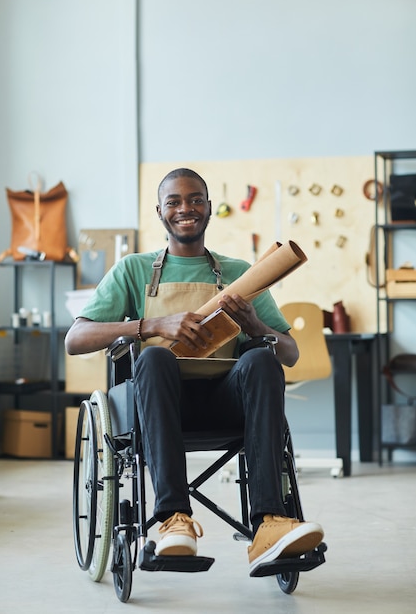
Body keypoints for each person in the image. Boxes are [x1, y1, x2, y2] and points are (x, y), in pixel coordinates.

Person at [65, 168, 324, 574]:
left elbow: (289, 354)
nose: (185, 208)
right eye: (174, 201)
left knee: (261, 357)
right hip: (159, 406)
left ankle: (270, 523)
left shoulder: (238, 272)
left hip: (226, 403)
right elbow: (75, 339)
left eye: (195, 199)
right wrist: (150, 326)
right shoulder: (134, 269)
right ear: (160, 212)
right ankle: (173, 520)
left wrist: (256, 327)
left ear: (208, 208)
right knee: (153, 357)